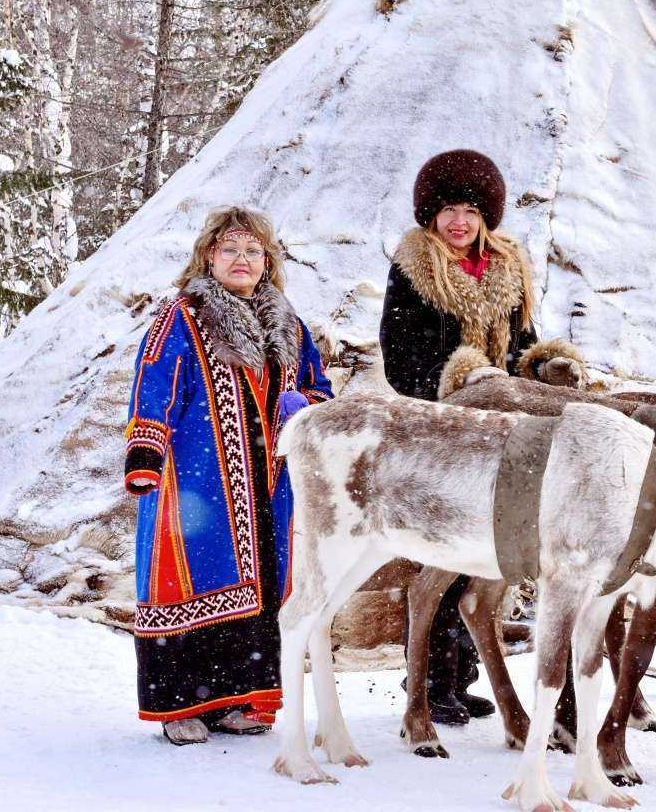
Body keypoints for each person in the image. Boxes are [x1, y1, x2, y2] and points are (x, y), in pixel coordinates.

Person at [379, 149, 577, 725]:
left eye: (469, 210)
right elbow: (402, 356)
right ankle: (430, 680)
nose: (459, 222)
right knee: (442, 548)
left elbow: (521, 344)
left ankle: (461, 675)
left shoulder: (507, 270)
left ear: (484, 216)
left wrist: (541, 367)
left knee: (483, 546)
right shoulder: (413, 269)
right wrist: (462, 380)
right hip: (442, 424)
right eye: (448, 211)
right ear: (431, 217)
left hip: (502, 428)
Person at [124, 206, 333, 745]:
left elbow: (319, 389)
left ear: (268, 261)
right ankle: (180, 705)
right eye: (230, 251)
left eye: (253, 252)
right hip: (196, 479)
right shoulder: (183, 317)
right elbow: (154, 384)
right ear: (208, 258)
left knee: (261, 583)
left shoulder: (287, 324)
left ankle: (240, 699)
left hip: (268, 483)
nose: (242, 260)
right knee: (189, 578)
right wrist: (146, 455)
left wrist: (301, 404)